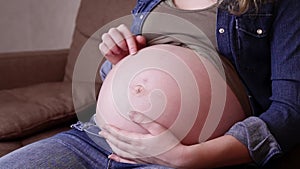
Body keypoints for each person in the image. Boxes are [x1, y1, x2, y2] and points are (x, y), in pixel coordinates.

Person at [0, 0, 299, 168]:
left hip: (190, 159)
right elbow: (136, 70)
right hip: (96, 139)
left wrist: (185, 157)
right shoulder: (151, 1)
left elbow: (290, 112)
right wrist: (117, 61)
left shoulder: (275, 5)